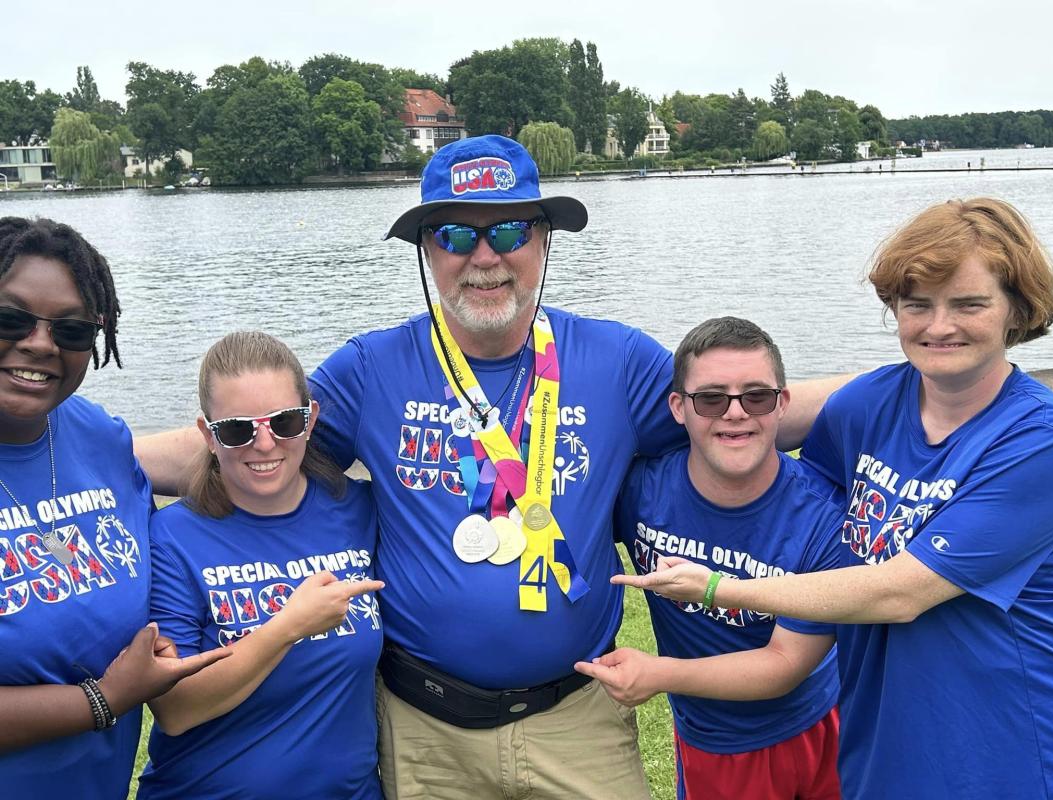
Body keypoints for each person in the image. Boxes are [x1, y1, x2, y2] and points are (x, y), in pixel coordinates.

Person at [134, 134, 849, 800]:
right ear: (425, 250)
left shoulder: (615, 359)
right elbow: (257, 438)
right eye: (454, 234)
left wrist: (904, 396)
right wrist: (97, 460)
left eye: (509, 231)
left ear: (542, 242)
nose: (484, 257)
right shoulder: (371, 367)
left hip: (578, 714)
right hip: (424, 728)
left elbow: (730, 411)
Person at [615, 197, 1053, 799]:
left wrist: (721, 588)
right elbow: (769, 435)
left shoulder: (1040, 443)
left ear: (1016, 310)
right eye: (917, 304)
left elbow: (899, 591)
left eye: (969, 303)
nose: (939, 326)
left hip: (996, 747)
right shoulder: (868, 405)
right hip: (878, 739)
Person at [0, 217, 227, 797]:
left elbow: (198, 457)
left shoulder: (98, 436)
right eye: (11, 318)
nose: (40, 343)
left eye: (73, 330)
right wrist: (103, 700)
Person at [577, 317, 843, 800]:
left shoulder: (824, 515)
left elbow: (786, 663)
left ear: (783, 404)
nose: (735, 413)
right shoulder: (638, 490)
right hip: (714, 742)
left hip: (818, 722)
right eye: (711, 398)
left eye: (756, 396)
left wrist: (660, 674)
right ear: (678, 407)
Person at [137, 331, 384, 799]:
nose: (265, 444)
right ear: (208, 436)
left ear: (310, 422)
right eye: (237, 429)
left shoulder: (360, 510)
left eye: (284, 422)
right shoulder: (173, 538)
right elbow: (176, 708)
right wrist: (288, 627)